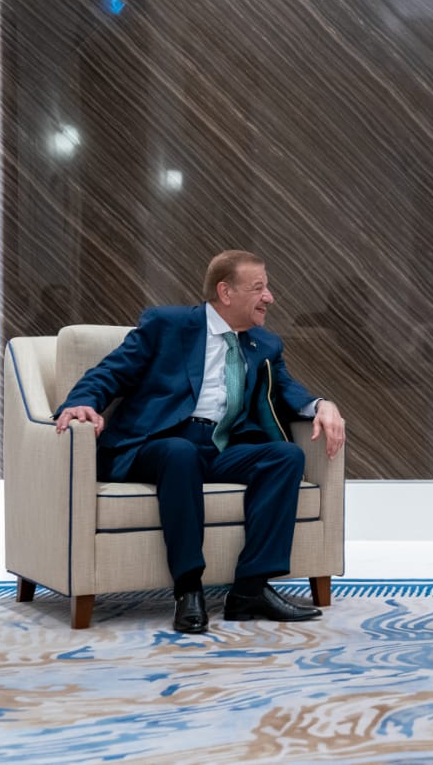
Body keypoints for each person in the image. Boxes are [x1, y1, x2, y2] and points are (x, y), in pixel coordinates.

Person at [55, 250, 347, 634]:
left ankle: (250, 589)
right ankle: (188, 588)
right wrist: (81, 403)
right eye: (258, 288)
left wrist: (322, 405)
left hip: (219, 446)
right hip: (156, 443)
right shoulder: (167, 324)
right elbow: (111, 372)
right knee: (180, 453)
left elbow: (287, 389)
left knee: (285, 456)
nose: (270, 297)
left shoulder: (264, 343)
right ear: (226, 292)